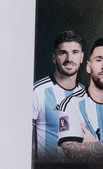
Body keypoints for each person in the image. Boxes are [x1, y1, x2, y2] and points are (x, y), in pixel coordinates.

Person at [33, 30, 86, 160]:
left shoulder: (86, 94)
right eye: (63, 53)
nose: (69, 59)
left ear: (82, 57)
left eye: (75, 52)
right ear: (54, 58)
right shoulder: (38, 91)